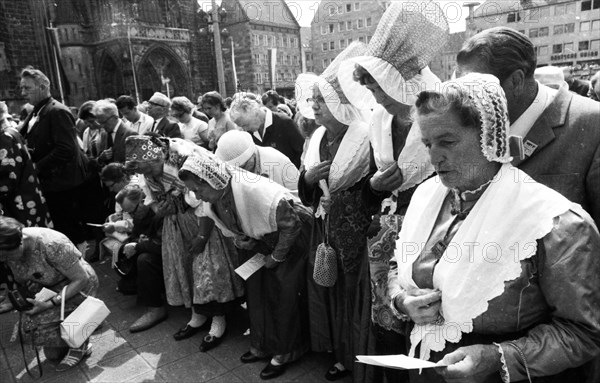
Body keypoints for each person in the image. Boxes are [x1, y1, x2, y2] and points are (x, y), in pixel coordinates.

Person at [388, 72, 600, 383]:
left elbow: (582, 332)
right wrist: (403, 302)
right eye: (428, 143)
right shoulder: (427, 197)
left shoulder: (552, 222)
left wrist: (498, 358)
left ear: (489, 137)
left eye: (447, 141)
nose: (434, 157)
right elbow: (400, 264)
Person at [336, 2, 448, 382]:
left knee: (427, 325)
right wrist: (372, 185)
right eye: (369, 88)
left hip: (432, 237)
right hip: (385, 238)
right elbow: (367, 186)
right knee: (387, 327)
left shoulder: (441, 115)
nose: (375, 97)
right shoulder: (380, 120)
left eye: (379, 87)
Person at [178, 154, 312, 380]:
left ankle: (285, 353)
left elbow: (292, 225)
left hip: (290, 242)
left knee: (283, 297)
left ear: (210, 181)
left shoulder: (254, 190)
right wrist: (242, 239)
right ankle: (262, 345)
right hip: (262, 243)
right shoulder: (216, 196)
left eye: (198, 190)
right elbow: (235, 226)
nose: (196, 196)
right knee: (257, 294)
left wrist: (277, 257)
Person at [456, 27, 600, 231]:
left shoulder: (592, 124)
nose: (467, 101)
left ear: (516, 81)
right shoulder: (474, 126)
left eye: (476, 90)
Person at [296, 41, 373, 381]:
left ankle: (352, 356)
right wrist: (309, 180)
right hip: (325, 228)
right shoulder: (316, 138)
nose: (315, 109)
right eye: (313, 102)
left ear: (342, 104)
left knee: (351, 296)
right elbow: (307, 177)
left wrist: (341, 200)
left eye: (322, 102)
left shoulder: (364, 137)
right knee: (328, 290)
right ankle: (334, 348)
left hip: (353, 232)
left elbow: (371, 186)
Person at [125, 135, 244, 349]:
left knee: (208, 268)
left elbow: (206, 202)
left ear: (158, 157)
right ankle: (197, 315)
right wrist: (159, 210)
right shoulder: (148, 168)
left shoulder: (186, 159)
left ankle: (218, 320)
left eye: (148, 169)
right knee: (185, 265)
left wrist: (201, 236)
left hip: (203, 221)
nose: (146, 175)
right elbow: (152, 197)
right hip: (176, 221)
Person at [0, 216, 99, 371]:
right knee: (36, 337)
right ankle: (83, 324)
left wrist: (49, 304)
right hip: (48, 287)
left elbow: (81, 279)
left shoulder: (52, 244)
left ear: (18, 242)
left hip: (77, 285)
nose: (3, 260)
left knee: (43, 331)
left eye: (5, 256)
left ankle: (82, 338)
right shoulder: (10, 248)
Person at [19, 68, 88, 251]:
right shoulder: (37, 111)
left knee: (70, 229)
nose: (23, 93)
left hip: (63, 184)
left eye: (27, 88)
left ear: (42, 87)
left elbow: (66, 149)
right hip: (52, 183)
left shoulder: (57, 111)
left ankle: (80, 267)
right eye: (22, 88)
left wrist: (36, 167)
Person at [115, 185, 167, 333]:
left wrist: (138, 245)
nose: (131, 215)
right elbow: (138, 235)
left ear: (143, 200)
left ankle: (155, 308)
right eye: (128, 212)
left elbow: (161, 244)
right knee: (123, 251)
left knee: (144, 260)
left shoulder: (156, 211)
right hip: (153, 247)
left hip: (167, 253)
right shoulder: (140, 213)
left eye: (132, 210)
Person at [229, 93, 304, 168]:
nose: (245, 129)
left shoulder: (285, 123)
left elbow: (302, 152)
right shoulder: (249, 133)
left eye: (245, 125)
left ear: (254, 113)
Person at [215, 130, 299, 192]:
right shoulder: (225, 171)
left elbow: (297, 192)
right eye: (235, 169)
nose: (241, 171)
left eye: (243, 166)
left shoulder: (278, 160)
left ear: (253, 154)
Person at [92, 100, 137, 164]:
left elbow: (134, 164)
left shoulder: (131, 134)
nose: (102, 126)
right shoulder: (104, 133)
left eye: (104, 122)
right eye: (100, 123)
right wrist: (101, 158)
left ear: (115, 117)